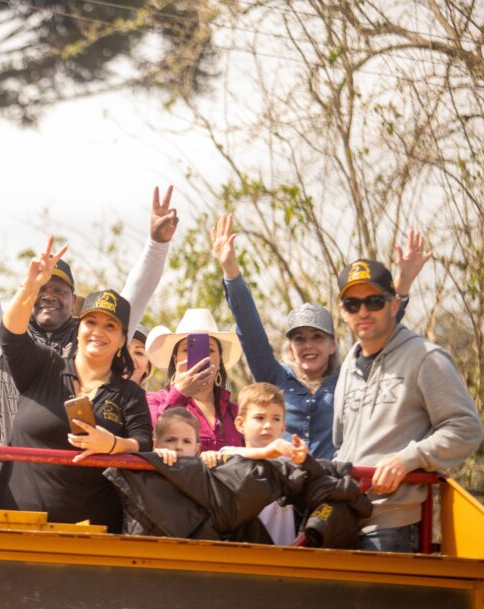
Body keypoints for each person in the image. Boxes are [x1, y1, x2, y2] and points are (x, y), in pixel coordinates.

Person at [0, 166, 177, 482]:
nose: (49, 296)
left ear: (73, 300)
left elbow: (133, 298)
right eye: (42, 288)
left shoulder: (94, 344)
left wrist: (157, 244)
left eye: (59, 290)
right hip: (7, 486)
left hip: (73, 486)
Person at [211, 214, 431, 460]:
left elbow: (384, 327)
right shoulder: (274, 377)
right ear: (291, 347)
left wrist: (403, 283)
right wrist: (231, 270)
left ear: (332, 344)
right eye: (299, 339)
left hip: (330, 487)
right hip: (281, 485)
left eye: (317, 337)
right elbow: (250, 330)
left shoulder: (348, 376)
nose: (308, 346)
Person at [0, 238, 153, 532]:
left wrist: (114, 444)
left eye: (110, 326)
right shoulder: (44, 366)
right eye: (91, 322)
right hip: (13, 528)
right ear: (78, 329)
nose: (98, 332)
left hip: (91, 540)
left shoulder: (129, 394)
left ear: (121, 341)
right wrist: (29, 288)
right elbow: (10, 335)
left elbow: (144, 445)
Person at [332, 258, 483, 552]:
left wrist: (407, 459)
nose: (363, 311)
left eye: (374, 301)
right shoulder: (347, 367)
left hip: (393, 526)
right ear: (343, 312)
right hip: (346, 520)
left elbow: (466, 429)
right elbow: (341, 446)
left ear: (394, 304)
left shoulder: (426, 358)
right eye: (353, 304)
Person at [199, 382, 309, 545]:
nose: (268, 425)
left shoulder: (290, 464)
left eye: (276, 419)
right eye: (259, 418)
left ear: (283, 427)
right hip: (241, 553)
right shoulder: (229, 454)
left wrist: (304, 458)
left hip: (284, 554)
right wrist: (266, 454)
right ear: (240, 424)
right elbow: (228, 455)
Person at [145, 309, 245, 452]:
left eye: (209, 350)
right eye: (188, 350)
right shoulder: (153, 400)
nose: (201, 357)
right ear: (175, 360)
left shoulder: (236, 413)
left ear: (220, 360)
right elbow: (153, 436)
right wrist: (180, 393)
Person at [127, 324, 152, 389]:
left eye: (138, 353)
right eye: (124, 350)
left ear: (148, 366)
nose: (130, 358)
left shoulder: (150, 399)